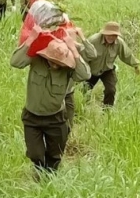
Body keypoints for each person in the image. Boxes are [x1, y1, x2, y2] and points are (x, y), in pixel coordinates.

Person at [10, 25, 91, 176]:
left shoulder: (68, 68)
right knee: (35, 154)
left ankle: (49, 179)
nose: (55, 65)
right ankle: (40, 170)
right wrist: (31, 38)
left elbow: (85, 75)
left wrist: (73, 50)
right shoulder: (36, 59)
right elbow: (15, 62)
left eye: (59, 62)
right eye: (52, 61)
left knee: (55, 155)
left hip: (56, 118)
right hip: (32, 117)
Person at [84, 22, 140, 109]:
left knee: (111, 90)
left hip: (107, 69)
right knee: (85, 90)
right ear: (104, 33)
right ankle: (83, 109)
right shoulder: (93, 40)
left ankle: (107, 111)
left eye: (114, 35)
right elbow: (82, 55)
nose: (111, 37)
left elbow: (127, 55)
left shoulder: (119, 43)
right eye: (109, 34)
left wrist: (136, 65)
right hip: (91, 70)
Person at [63, 27, 97, 131]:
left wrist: (81, 38)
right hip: (54, 93)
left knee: (69, 121)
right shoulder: (57, 50)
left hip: (69, 92)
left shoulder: (77, 50)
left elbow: (92, 54)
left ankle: (67, 141)